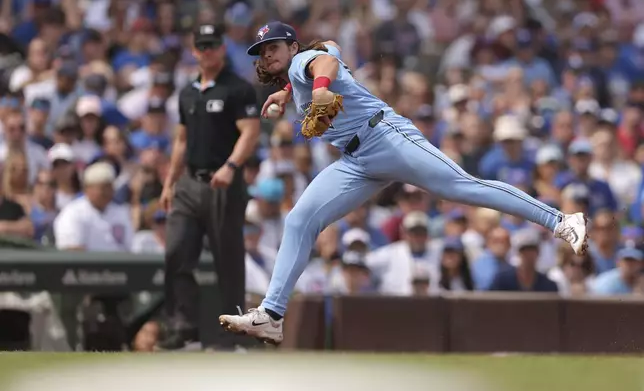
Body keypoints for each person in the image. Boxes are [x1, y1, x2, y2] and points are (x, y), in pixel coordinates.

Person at [213, 22, 588, 345]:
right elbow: (328, 50)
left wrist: (321, 86)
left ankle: (560, 220)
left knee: (462, 186)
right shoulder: (305, 64)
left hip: (386, 137)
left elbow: (322, 62)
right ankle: (272, 315)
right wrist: (290, 91)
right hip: (356, 160)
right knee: (299, 220)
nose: (266, 56)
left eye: (273, 47)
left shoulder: (303, 63)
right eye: (261, 52)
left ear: (292, 47)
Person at [156, 23, 261, 351]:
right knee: (176, 252)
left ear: (222, 48)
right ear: (194, 50)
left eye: (213, 45)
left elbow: (251, 132)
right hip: (190, 183)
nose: (207, 51)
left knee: (227, 261)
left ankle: (233, 334)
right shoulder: (187, 92)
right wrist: (169, 182)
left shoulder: (238, 89)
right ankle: (183, 327)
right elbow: (181, 140)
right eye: (202, 45)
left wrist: (231, 167)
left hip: (223, 185)